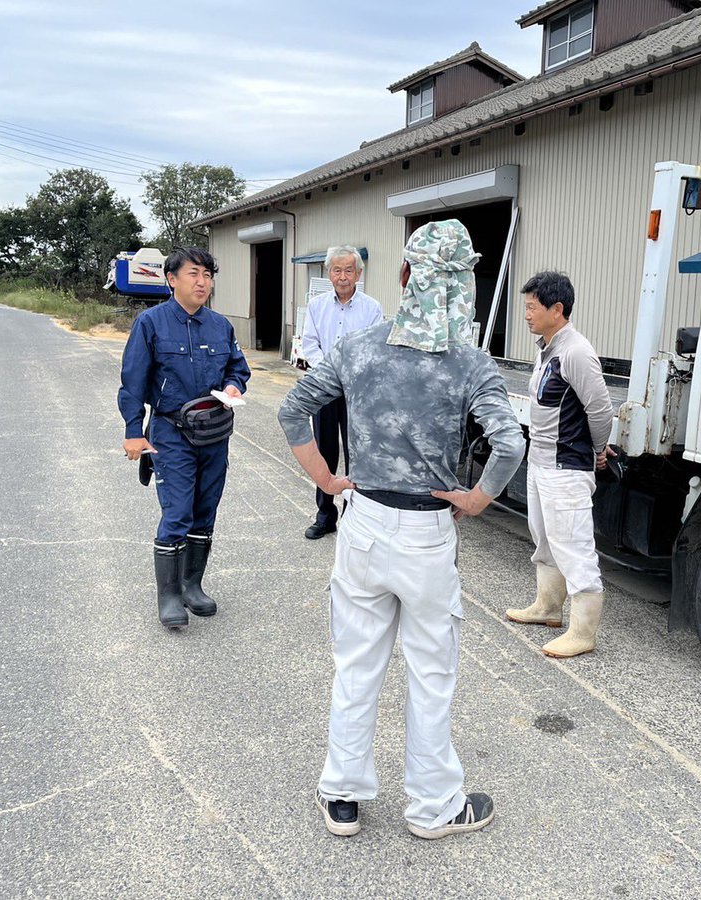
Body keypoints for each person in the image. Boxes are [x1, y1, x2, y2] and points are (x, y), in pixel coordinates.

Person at [278, 220, 525, 840]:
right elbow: (508, 443)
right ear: (463, 285)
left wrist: (329, 480)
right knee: (431, 673)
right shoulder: (469, 362)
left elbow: (293, 408)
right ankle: (433, 806)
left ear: (406, 275)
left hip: (363, 523)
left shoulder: (358, 347)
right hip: (427, 532)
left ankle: (342, 795)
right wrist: (477, 499)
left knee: (357, 665)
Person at [118, 247, 250, 629]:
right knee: (178, 513)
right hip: (170, 432)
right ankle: (170, 595)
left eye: (207, 275)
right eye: (194, 274)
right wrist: (132, 431)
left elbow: (238, 368)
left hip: (214, 432)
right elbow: (133, 381)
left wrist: (233, 385)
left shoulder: (220, 325)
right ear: (171, 279)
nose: (202, 282)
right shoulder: (151, 323)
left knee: (205, 511)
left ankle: (193, 586)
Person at [504, 272, 614, 658]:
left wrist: (598, 449)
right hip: (540, 462)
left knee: (574, 546)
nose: (526, 314)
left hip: (566, 467)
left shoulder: (576, 352)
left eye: (532, 307)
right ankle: (548, 607)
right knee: (545, 539)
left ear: (557, 309)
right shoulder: (547, 349)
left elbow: (600, 409)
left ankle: (583, 633)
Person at [299, 246, 383, 539]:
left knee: (355, 453)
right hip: (324, 388)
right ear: (329, 272)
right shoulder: (316, 305)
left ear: (359, 273)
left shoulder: (372, 308)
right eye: (337, 270)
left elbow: (373, 350)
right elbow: (309, 344)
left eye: (349, 270)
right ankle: (325, 516)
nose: (343, 276)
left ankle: (353, 517)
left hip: (357, 392)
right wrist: (330, 370)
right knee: (324, 452)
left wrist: (348, 373)